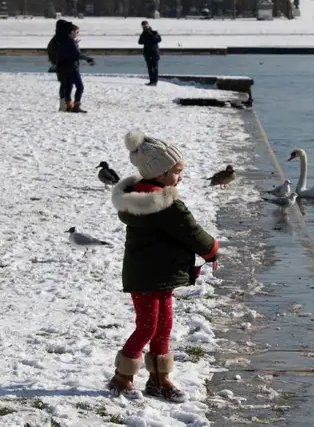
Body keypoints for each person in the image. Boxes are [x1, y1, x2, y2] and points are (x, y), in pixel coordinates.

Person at [108, 128, 220, 401]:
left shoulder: (138, 198)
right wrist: (212, 251)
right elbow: (191, 231)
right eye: (177, 170)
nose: (180, 176)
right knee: (148, 326)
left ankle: (160, 379)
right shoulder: (166, 205)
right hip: (150, 276)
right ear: (158, 173)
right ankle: (122, 377)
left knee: (163, 325)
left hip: (157, 273)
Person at [55, 21, 94, 113]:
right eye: (77, 32)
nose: (77, 34)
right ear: (72, 32)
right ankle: (76, 106)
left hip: (65, 67)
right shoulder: (70, 42)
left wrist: (75, 44)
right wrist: (88, 59)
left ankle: (68, 106)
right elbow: (77, 54)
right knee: (80, 87)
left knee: (68, 87)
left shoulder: (63, 40)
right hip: (72, 67)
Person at [138, 21, 162, 86]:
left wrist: (151, 35)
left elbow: (159, 40)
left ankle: (155, 82)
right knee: (149, 68)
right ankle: (151, 81)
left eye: (146, 26)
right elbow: (140, 42)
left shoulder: (154, 32)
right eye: (143, 26)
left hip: (154, 53)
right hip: (147, 53)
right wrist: (144, 37)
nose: (145, 27)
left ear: (148, 25)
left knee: (155, 68)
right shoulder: (143, 34)